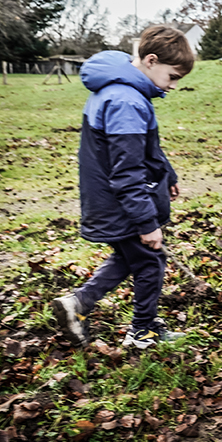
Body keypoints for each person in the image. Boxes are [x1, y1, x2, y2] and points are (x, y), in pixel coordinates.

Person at [52, 25, 194, 350]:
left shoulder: (121, 90)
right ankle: (142, 331)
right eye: (172, 76)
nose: (173, 86)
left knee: (131, 258)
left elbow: (143, 150)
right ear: (150, 60)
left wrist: (167, 175)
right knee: (148, 260)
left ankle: (78, 303)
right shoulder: (125, 101)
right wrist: (147, 223)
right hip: (120, 201)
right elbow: (127, 171)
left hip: (111, 198)